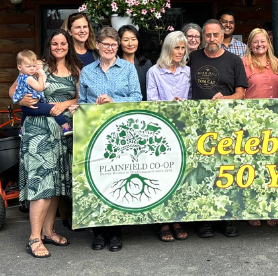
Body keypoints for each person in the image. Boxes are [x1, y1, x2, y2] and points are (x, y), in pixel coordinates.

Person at [13, 29, 81, 258]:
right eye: (54, 43)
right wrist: (21, 99)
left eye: (63, 43)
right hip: (39, 132)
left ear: (68, 45)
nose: (59, 47)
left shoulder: (75, 69)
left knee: (54, 185)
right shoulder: (38, 65)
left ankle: (49, 231)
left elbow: (80, 98)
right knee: (40, 182)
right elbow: (14, 90)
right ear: (49, 46)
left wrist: (65, 104)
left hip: (63, 133)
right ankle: (34, 237)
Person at [78, 26, 143, 252]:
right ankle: (98, 232)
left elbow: (137, 97)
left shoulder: (127, 68)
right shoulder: (87, 71)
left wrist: (113, 100)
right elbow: (81, 102)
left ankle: (115, 232)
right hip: (94, 133)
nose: (109, 48)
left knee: (117, 180)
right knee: (97, 179)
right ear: (97, 46)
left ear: (118, 47)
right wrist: (91, 105)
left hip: (121, 131)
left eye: (113, 45)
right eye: (105, 44)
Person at [189, 19, 248, 238]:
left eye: (216, 35)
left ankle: (227, 217)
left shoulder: (234, 60)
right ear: (203, 37)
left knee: (226, 171)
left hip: (227, 123)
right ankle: (205, 219)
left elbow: (241, 93)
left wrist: (226, 99)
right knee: (202, 171)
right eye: (208, 35)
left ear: (223, 36)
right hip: (198, 123)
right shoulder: (192, 58)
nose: (212, 39)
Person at [146, 31, 190, 242]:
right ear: (168, 48)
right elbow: (152, 101)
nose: (180, 52)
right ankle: (162, 221)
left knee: (180, 176)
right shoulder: (154, 72)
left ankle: (177, 219)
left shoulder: (188, 72)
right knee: (161, 176)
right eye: (176, 47)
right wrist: (168, 105)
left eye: (183, 48)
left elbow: (192, 99)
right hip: (161, 131)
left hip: (182, 129)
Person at [243, 28, 278, 227]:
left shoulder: (276, 63)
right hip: (252, 121)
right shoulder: (244, 64)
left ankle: (270, 207)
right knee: (253, 166)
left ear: (268, 43)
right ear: (250, 44)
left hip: (274, 122)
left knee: (271, 166)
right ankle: (253, 208)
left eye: (263, 41)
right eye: (255, 42)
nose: (259, 45)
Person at [12, 50, 71, 134]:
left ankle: (22, 129)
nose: (32, 69)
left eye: (34, 66)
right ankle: (66, 127)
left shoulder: (20, 77)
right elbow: (40, 88)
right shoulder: (29, 78)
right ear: (19, 67)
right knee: (53, 109)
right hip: (35, 104)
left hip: (26, 107)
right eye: (28, 66)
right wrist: (39, 77)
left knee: (24, 114)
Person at [117, 24, 152, 101]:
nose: (130, 43)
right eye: (126, 40)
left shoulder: (146, 64)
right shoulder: (115, 65)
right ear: (119, 42)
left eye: (133, 39)